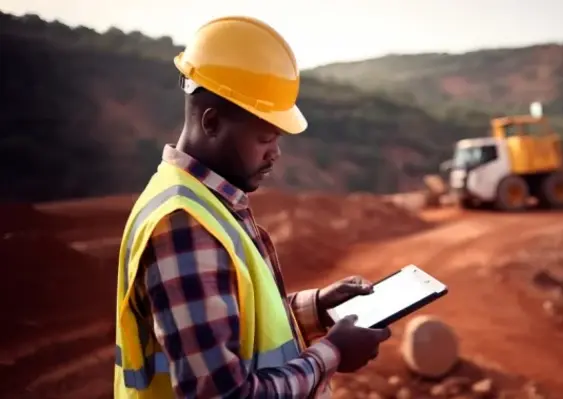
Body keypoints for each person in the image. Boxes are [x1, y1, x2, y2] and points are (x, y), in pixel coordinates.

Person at [113, 15, 391, 399]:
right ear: (212, 122)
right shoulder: (184, 225)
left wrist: (317, 308)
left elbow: (235, 332)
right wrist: (333, 352)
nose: (275, 153)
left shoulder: (203, 201)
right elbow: (225, 394)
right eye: (264, 137)